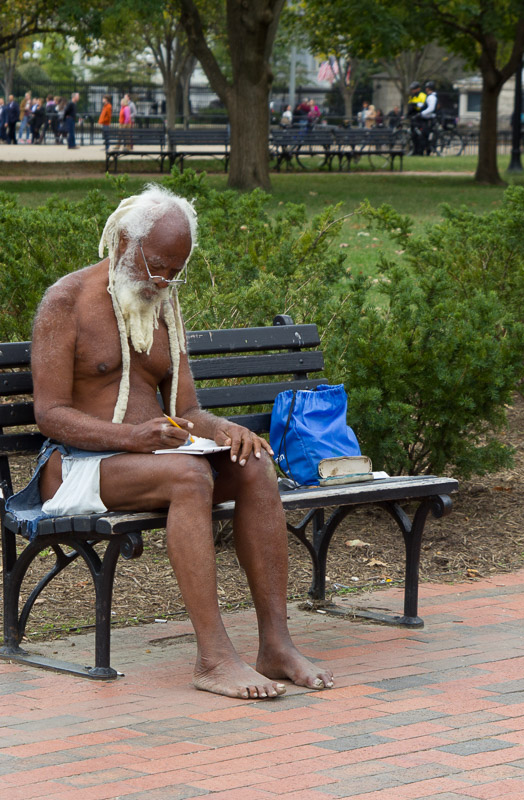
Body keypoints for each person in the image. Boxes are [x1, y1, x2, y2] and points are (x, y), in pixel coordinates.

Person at [17, 184, 335, 699]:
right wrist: (131, 437)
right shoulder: (66, 301)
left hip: (148, 458)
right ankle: (212, 658)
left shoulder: (163, 303)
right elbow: (49, 415)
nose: (162, 279)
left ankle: (275, 644)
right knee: (189, 477)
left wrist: (223, 430)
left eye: (174, 270)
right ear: (123, 241)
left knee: (253, 464)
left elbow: (185, 410)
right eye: (155, 265)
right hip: (75, 467)